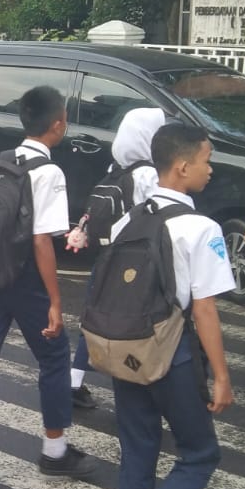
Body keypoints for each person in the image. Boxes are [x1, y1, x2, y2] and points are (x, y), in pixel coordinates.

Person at [107, 124, 235, 489]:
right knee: (201, 454)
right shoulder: (201, 228)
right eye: (206, 160)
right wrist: (221, 376)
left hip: (125, 350)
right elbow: (204, 308)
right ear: (182, 167)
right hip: (172, 355)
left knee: (138, 454)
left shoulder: (129, 221)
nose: (210, 168)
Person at [0, 85, 95, 489]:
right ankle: (55, 451)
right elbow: (41, 241)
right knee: (53, 359)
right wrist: (54, 300)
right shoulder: (49, 172)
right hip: (26, 279)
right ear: (58, 124)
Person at [67, 106, 169, 413]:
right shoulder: (148, 174)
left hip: (107, 258)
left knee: (95, 317)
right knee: (138, 324)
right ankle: (139, 380)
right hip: (136, 265)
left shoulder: (116, 168)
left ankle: (73, 381)